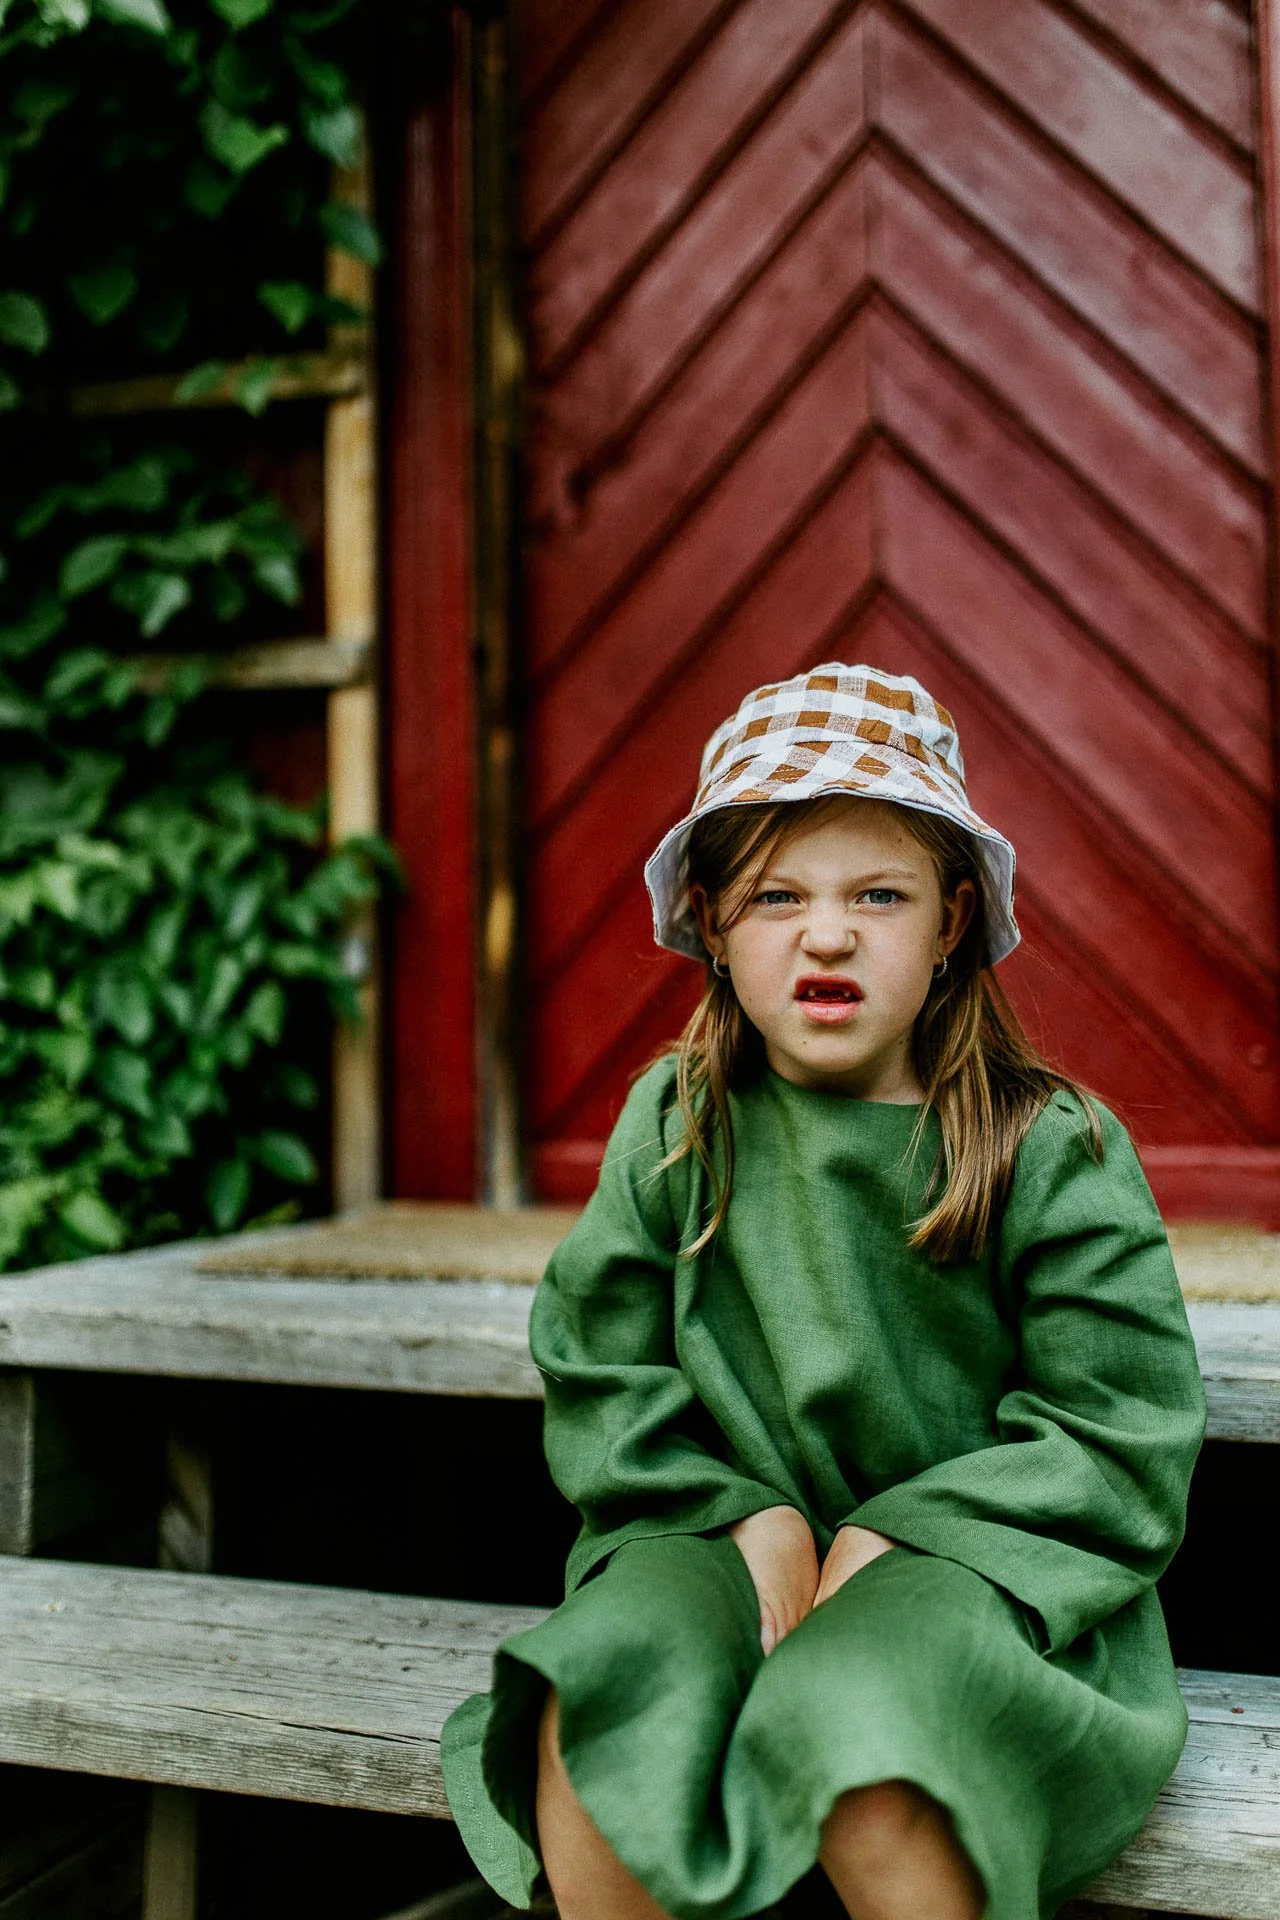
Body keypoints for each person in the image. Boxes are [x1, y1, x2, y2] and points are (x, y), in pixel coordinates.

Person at [441, 663, 1206, 1920]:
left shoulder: (1043, 1146)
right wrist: (737, 1516)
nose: (828, 933)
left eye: (878, 894)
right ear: (711, 923)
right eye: (776, 895)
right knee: (606, 1686)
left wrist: (901, 1534)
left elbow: (1117, 1425)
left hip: (985, 1563)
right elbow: (598, 1363)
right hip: (709, 1529)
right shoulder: (678, 1123)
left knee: (865, 1721)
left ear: (951, 921)